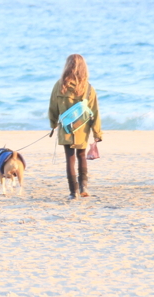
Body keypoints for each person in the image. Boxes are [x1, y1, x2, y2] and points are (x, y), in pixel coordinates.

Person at [48, 53, 102, 200]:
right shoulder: (88, 89)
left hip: (66, 129)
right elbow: (95, 112)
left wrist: (53, 124)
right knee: (81, 155)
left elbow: (53, 108)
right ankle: (84, 187)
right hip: (82, 129)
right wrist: (97, 133)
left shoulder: (59, 86)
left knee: (70, 159)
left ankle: (73, 192)